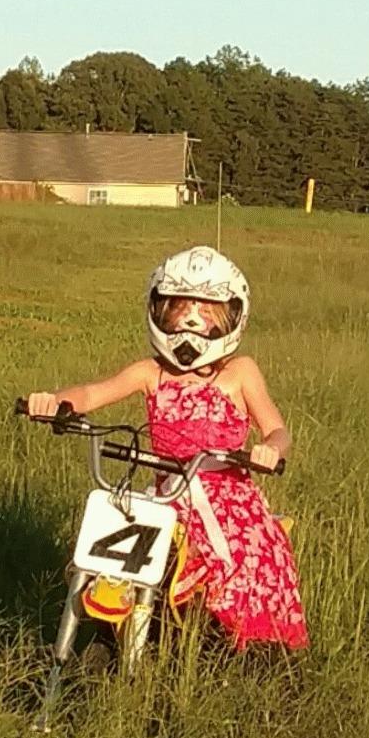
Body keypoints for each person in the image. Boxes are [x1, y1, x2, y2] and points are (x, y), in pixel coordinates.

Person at [26, 245, 309, 651]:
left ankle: (255, 651)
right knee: (125, 558)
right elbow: (93, 392)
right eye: (179, 307)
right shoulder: (150, 373)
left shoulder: (241, 372)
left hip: (229, 500)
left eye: (208, 310)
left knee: (248, 564)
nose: (192, 320)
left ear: (231, 316)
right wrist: (55, 401)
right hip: (168, 496)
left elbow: (278, 429)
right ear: (160, 310)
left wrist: (270, 450)